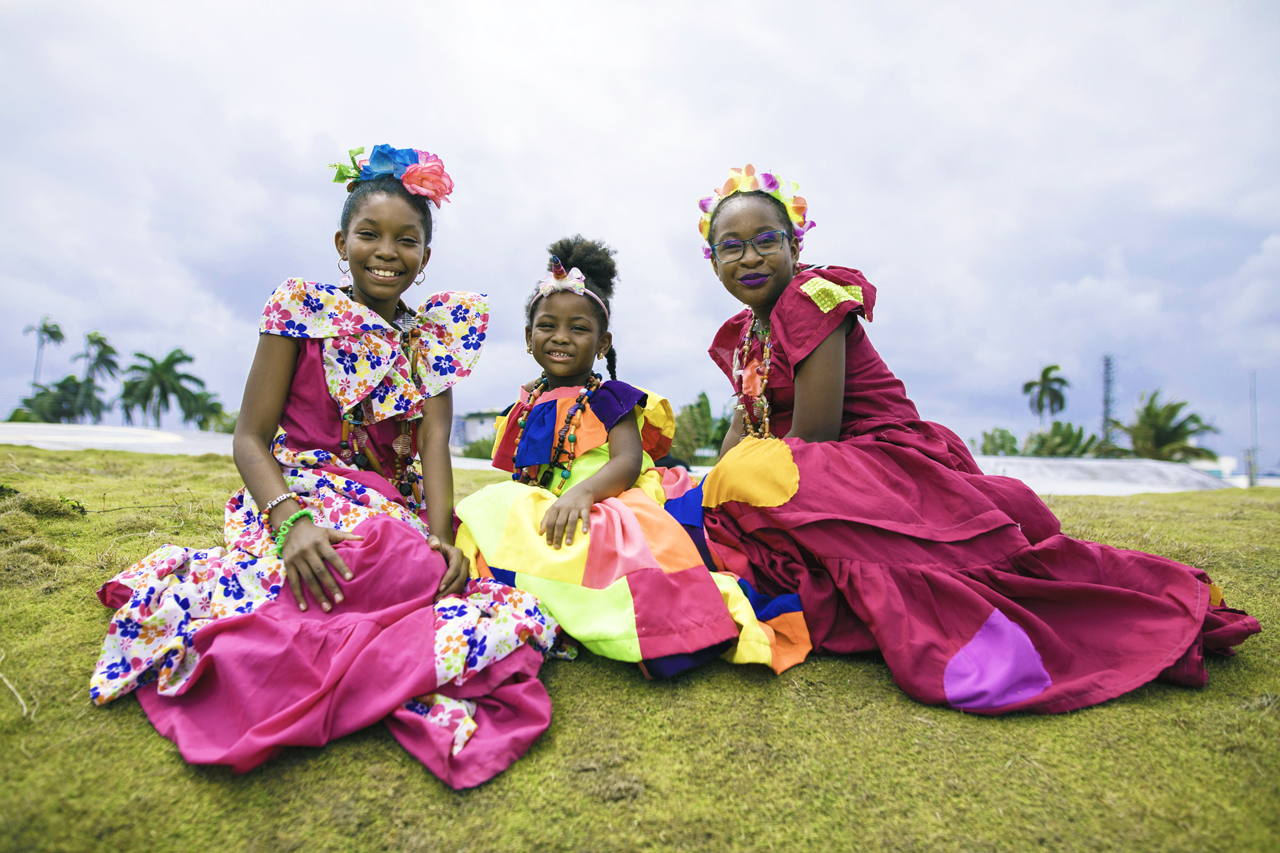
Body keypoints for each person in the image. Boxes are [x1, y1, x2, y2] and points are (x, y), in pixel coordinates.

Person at [693, 164, 1260, 714]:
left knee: (746, 475)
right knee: (725, 484)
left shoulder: (812, 297)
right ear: (714, 262)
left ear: (795, 244)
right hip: (809, 468)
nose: (749, 256)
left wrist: (728, 483)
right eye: (731, 246)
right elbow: (747, 423)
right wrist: (706, 501)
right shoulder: (747, 334)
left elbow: (813, 434)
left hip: (880, 456)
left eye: (765, 239)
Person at [89, 145, 562, 789]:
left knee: (427, 566)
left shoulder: (433, 341)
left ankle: (357, 635)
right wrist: (291, 524)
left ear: (426, 257)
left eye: (407, 239)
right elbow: (250, 439)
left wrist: (445, 540)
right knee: (363, 559)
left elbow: (434, 449)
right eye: (369, 234)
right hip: (302, 497)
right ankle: (286, 650)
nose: (386, 251)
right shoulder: (299, 311)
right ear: (341, 242)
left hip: (386, 510)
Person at [454, 237, 746, 678]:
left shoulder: (610, 397)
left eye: (578, 328)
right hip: (553, 504)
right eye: (547, 325)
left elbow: (627, 462)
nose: (561, 338)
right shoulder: (525, 404)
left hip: (608, 496)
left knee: (612, 550)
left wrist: (584, 495)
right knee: (486, 519)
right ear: (528, 336)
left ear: (603, 342)